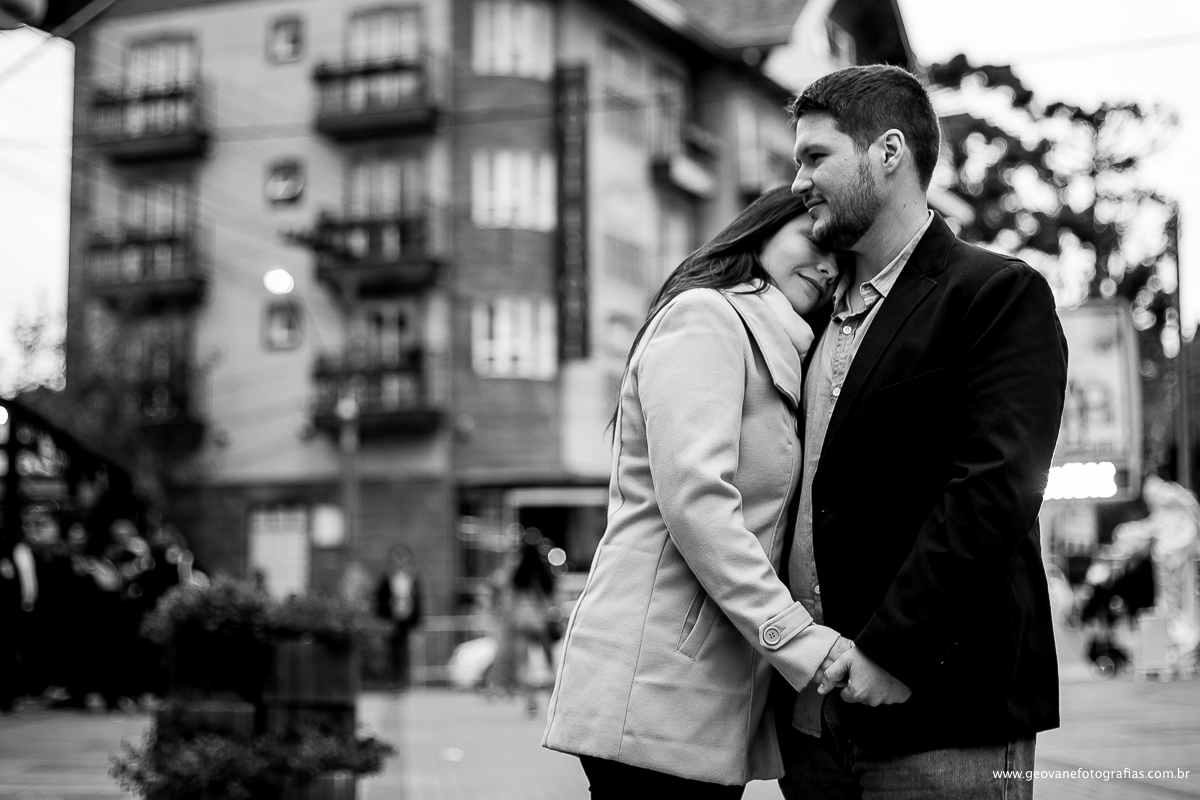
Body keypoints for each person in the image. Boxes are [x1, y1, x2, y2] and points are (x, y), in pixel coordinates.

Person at [775, 64, 1068, 799]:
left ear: (890, 153)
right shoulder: (807, 313)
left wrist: (892, 653)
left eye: (815, 157)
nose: (796, 182)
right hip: (810, 724)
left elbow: (993, 491)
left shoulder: (996, 294)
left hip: (941, 718)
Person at [543, 187, 844, 798]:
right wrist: (795, 637)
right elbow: (696, 500)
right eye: (814, 240)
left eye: (843, 258)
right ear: (761, 232)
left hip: (707, 683)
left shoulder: (786, 349)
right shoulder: (707, 316)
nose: (829, 265)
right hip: (656, 676)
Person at [1101, 475, 1200, 672]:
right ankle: (1180, 650)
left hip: (1176, 563)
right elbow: (1147, 530)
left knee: (1182, 607)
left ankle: (1184, 649)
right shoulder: (1168, 514)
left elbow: (1150, 530)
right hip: (1169, 565)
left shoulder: (1175, 508)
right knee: (1173, 608)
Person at [491, 529, 557, 716]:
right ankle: (555, 697)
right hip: (541, 622)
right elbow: (552, 598)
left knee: (523, 664)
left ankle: (530, 702)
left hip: (522, 622)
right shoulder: (545, 573)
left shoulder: (518, 573)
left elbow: (508, 598)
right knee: (549, 661)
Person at [374, 545, 422, 691]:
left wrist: (417, 621)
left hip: (406, 620)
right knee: (390, 651)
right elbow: (379, 599)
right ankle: (391, 681)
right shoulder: (387, 578)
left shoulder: (412, 578)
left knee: (404, 651)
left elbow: (418, 601)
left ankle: (403, 682)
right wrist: (382, 618)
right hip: (391, 619)